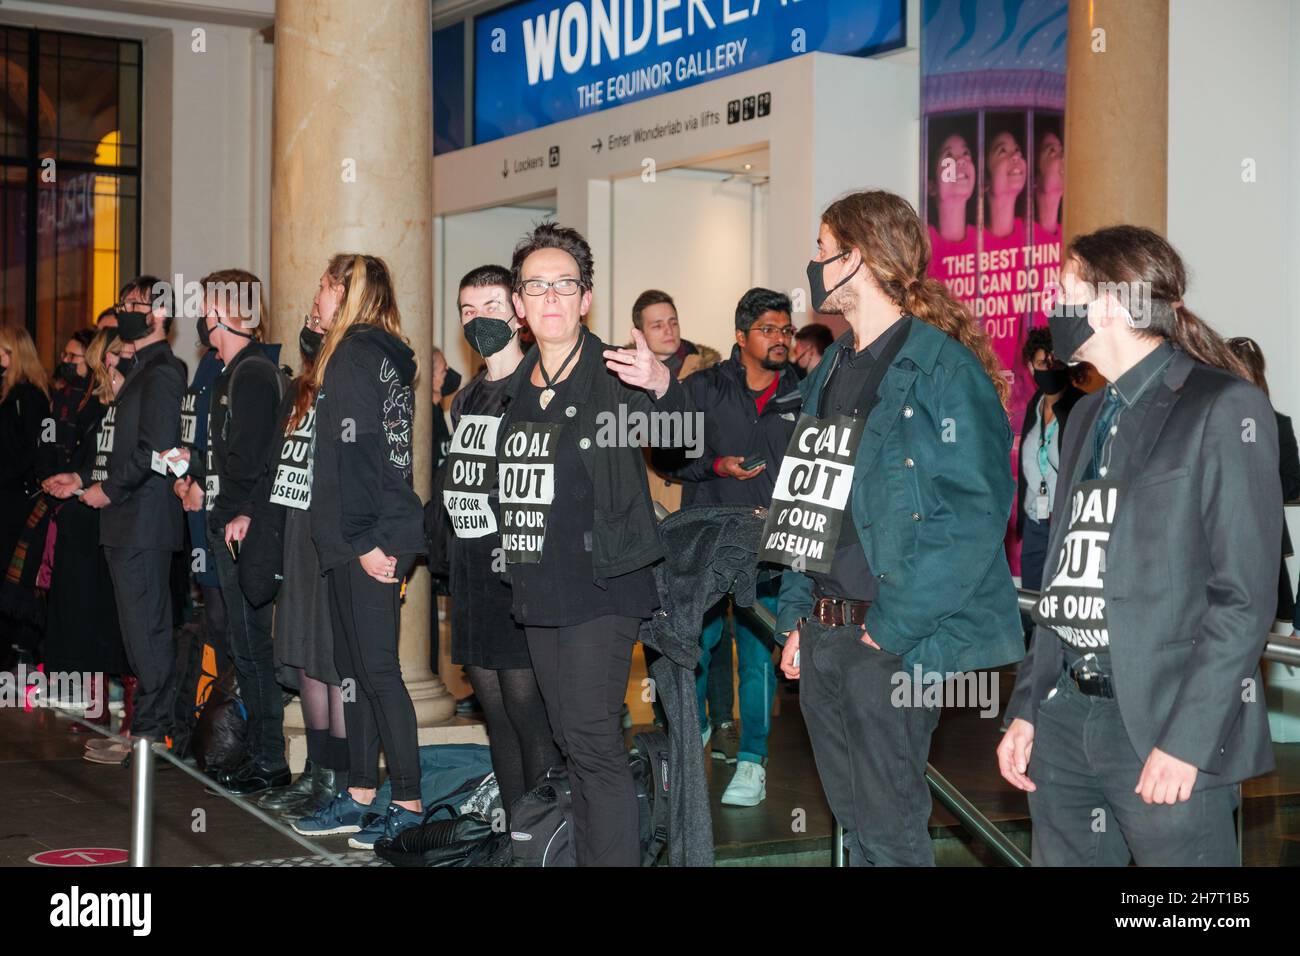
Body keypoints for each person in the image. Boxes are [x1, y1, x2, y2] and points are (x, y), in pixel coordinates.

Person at [998, 226, 1280, 866]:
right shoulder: (1088, 416)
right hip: (1066, 716)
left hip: (1162, 724)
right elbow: (1065, 580)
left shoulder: (1222, 405)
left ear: (1108, 305)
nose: (1051, 305)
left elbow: (1243, 597)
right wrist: (1028, 708)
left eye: (1064, 290)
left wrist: (1188, 740)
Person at [772, 190, 1023, 866]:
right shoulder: (829, 368)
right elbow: (807, 502)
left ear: (857, 259)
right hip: (826, 634)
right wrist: (797, 613)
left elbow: (973, 512)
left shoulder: (942, 369)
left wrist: (890, 627)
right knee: (858, 826)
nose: (815, 263)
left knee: (891, 831)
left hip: (893, 642)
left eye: (823, 250)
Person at [497, 222, 689, 866]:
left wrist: (661, 386)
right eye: (536, 286)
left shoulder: (615, 375)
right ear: (520, 305)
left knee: (592, 739)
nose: (550, 296)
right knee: (566, 738)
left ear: (586, 299)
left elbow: (682, 444)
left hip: (603, 585)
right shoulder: (513, 390)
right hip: (538, 584)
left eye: (565, 285)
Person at [300, 254, 427, 849]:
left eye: (324, 288)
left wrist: (366, 544)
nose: (316, 299)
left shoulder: (355, 355)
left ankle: (408, 801)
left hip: (368, 539)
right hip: (360, 537)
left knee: (377, 673)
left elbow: (369, 460)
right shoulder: (371, 354)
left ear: (346, 293)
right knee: (355, 674)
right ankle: (358, 797)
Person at [432, 263, 561, 819]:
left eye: (489, 307)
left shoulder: (538, 386)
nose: (477, 319)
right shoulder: (466, 400)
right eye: (467, 310)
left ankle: (545, 835)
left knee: (528, 711)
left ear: (517, 311)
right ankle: (515, 834)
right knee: (494, 714)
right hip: (471, 573)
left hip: (518, 573)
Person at [664, 287, 802, 804]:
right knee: (694, 649)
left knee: (758, 657)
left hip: (770, 547)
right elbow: (666, 459)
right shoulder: (700, 388)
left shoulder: (805, 393)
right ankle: (690, 738)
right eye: (769, 329)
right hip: (704, 539)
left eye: (786, 330)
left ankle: (752, 761)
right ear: (740, 336)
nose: (781, 339)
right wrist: (715, 466)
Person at [45, 276, 187, 763]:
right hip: (125, 522)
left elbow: (157, 450)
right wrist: (86, 482)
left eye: (135, 304)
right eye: (124, 303)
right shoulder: (139, 371)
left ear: (160, 315)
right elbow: (120, 450)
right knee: (135, 635)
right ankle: (144, 733)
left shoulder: (165, 371)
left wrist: (109, 489)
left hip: (145, 522)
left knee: (148, 633)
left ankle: (152, 738)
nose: (126, 311)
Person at [181, 270, 288, 794]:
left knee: (254, 651)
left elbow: (259, 460)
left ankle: (272, 758)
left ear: (222, 312)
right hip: (227, 524)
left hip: (241, 531)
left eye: (206, 306)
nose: (201, 316)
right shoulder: (229, 372)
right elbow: (231, 454)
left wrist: (239, 512)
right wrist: (196, 466)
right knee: (243, 650)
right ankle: (260, 753)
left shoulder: (252, 374)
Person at [266, 305, 350, 816]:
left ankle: (337, 776)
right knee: (301, 654)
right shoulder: (300, 392)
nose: (310, 328)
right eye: (310, 322)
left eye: (321, 322)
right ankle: (315, 770)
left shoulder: (348, 388)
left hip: (329, 538)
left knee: (330, 658)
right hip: (296, 536)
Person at [42, 329, 132, 749]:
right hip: (86, 517)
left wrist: (100, 486)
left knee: (121, 619)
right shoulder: (92, 406)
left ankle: (134, 715)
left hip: (123, 520)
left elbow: (132, 464)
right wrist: (75, 480)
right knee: (91, 616)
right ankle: (95, 707)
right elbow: (86, 461)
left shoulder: (133, 403)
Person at [1226, 336, 1298, 621]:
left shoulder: (1276, 422)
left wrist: (1255, 486)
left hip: (1262, 537)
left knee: (1258, 625)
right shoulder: (1207, 420)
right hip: (1219, 538)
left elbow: (1293, 479)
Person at [1017, 326, 1084, 593]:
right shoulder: (1032, 408)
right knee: (1031, 607)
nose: (1048, 369)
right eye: (1042, 363)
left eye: (1055, 363)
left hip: (1067, 526)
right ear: (1030, 367)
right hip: (1036, 523)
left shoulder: (1080, 406)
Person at [0, 327, 52, 665]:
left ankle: (7, 656)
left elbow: (34, 451)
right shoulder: (8, 393)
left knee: (8, 577)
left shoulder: (28, 397)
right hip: (7, 495)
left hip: (15, 501)